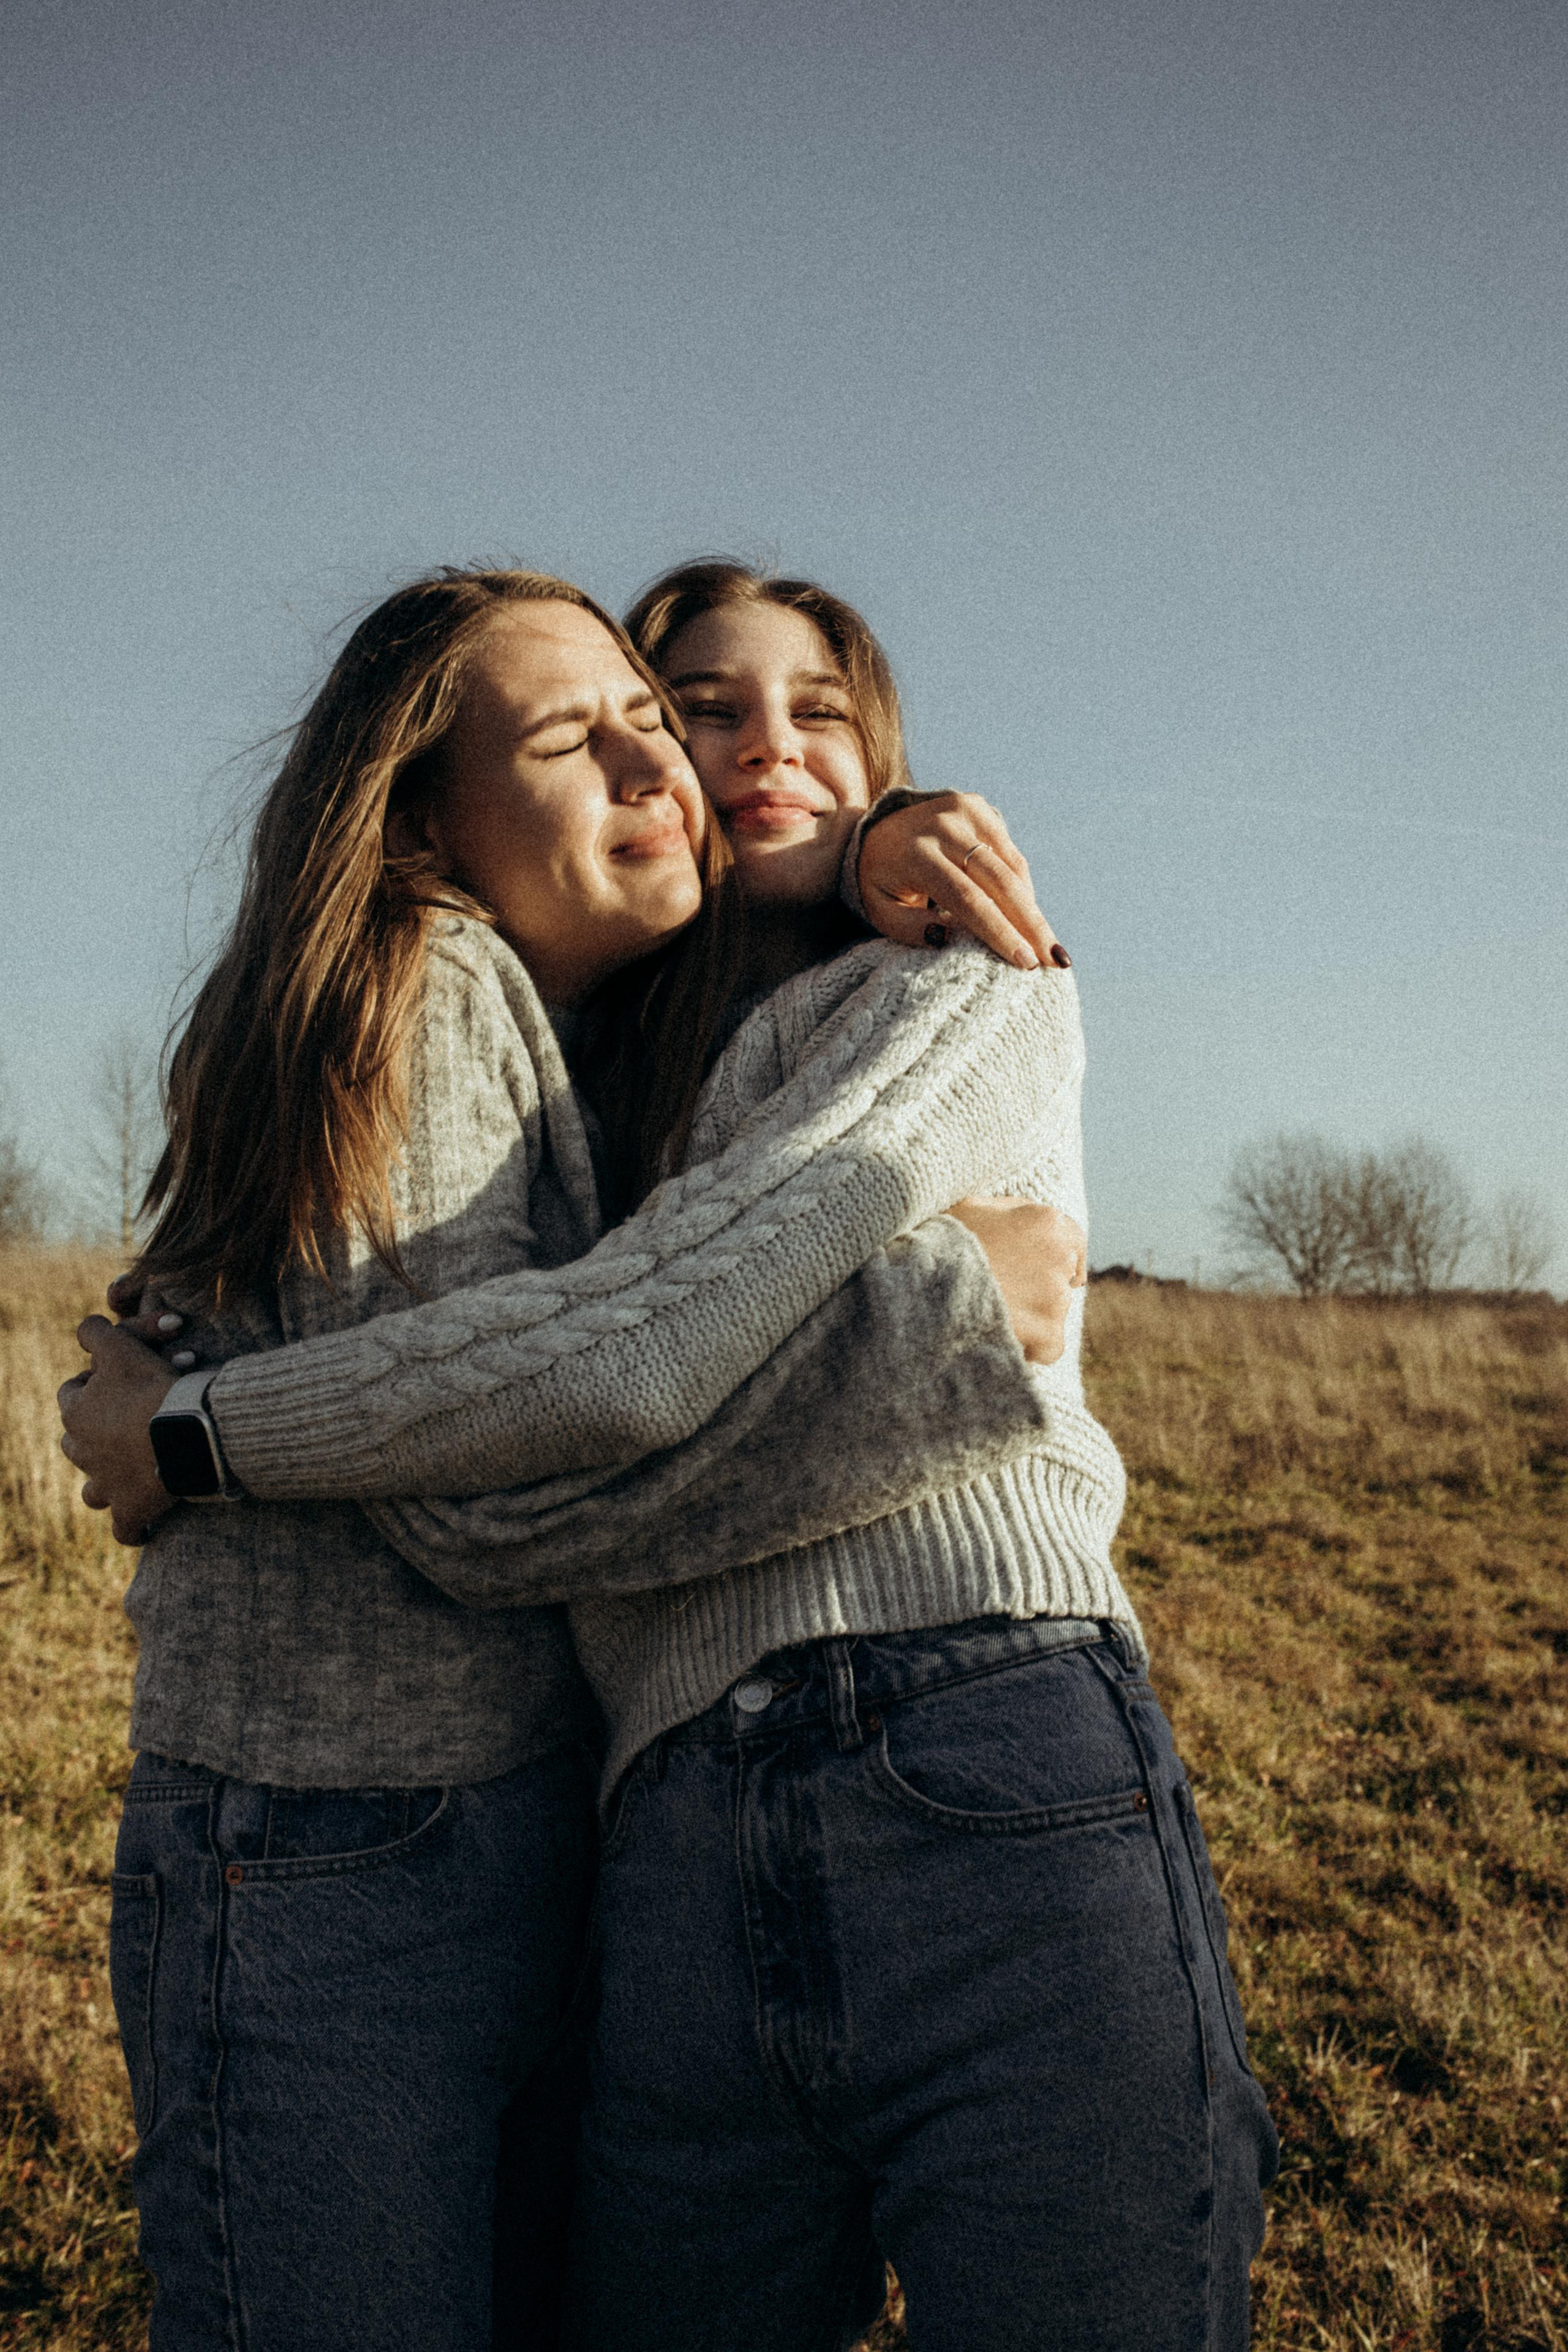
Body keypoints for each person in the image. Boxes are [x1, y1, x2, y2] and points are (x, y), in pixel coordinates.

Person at [57, 565, 1082, 2352]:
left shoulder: (582, 1029)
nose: (659, 767)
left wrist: (863, 847)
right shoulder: (437, 975)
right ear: (423, 823)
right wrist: (938, 1332)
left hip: (488, 1834)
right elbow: (489, 1502)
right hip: (338, 1851)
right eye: (579, 736)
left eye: (647, 723)